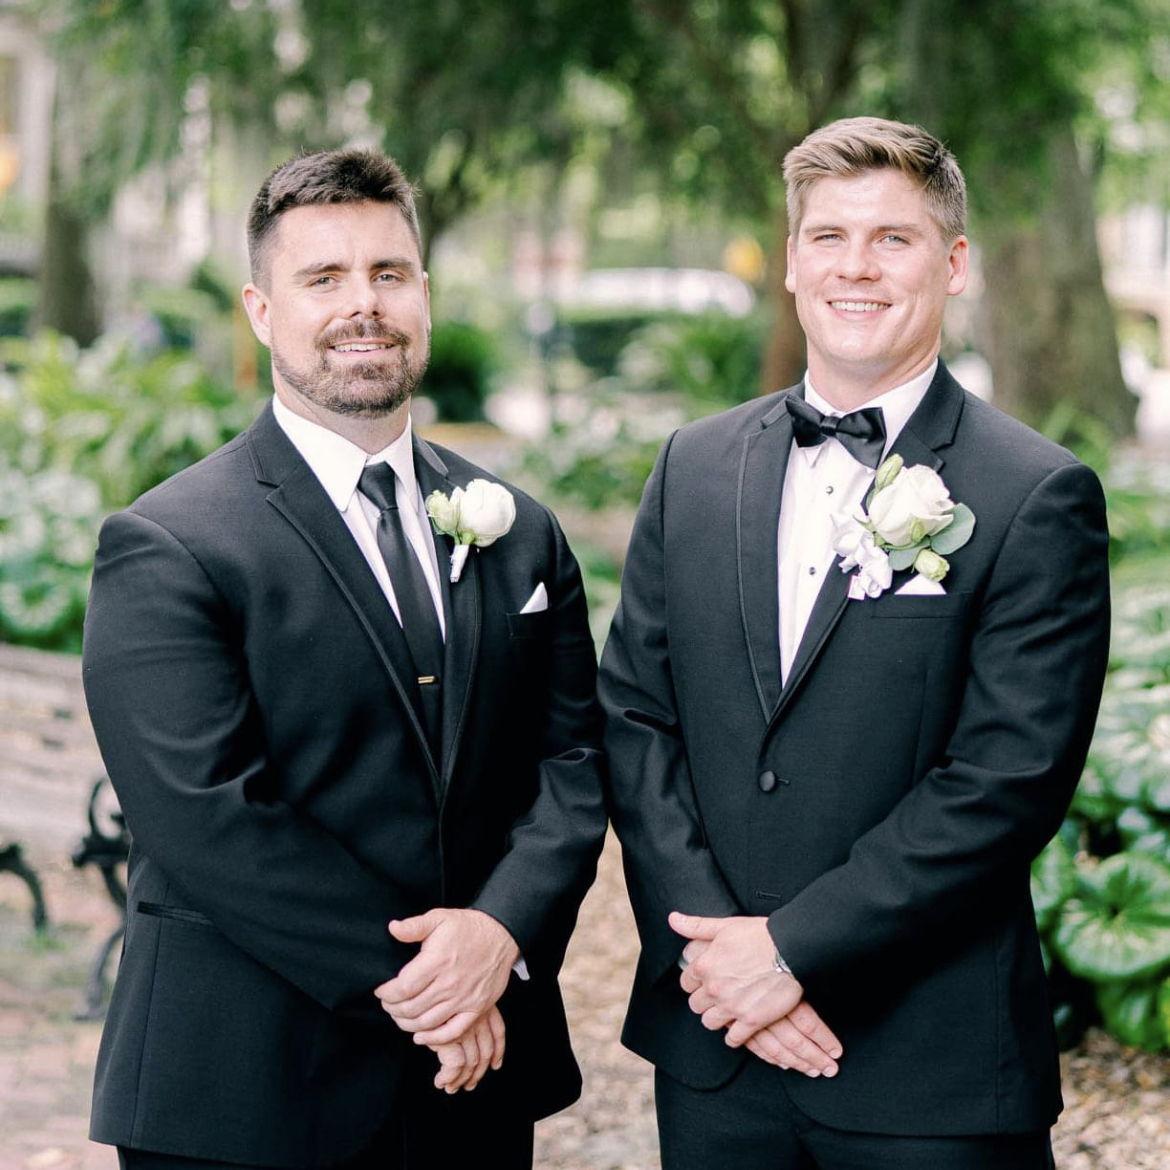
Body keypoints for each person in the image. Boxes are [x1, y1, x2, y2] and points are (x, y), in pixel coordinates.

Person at [599, 116, 1110, 1169]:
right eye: (829, 237)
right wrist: (717, 962)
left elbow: (1007, 779)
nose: (856, 267)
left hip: (929, 1068)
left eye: (893, 239)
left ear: (954, 264)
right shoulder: (694, 466)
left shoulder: (1035, 493)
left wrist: (790, 953)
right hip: (716, 1054)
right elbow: (636, 718)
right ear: (791, 261)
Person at [82, 148, 606, 1170]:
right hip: (247, 1091)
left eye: (387, 273)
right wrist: (431, 991)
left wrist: (498, 933)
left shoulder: (523, 533)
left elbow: (574, 768)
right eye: (322, 278)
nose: (362, 304)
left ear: (423, 294)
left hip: (472, 1089)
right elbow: (209, 818)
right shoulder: (169, 543)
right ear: (261, 310)